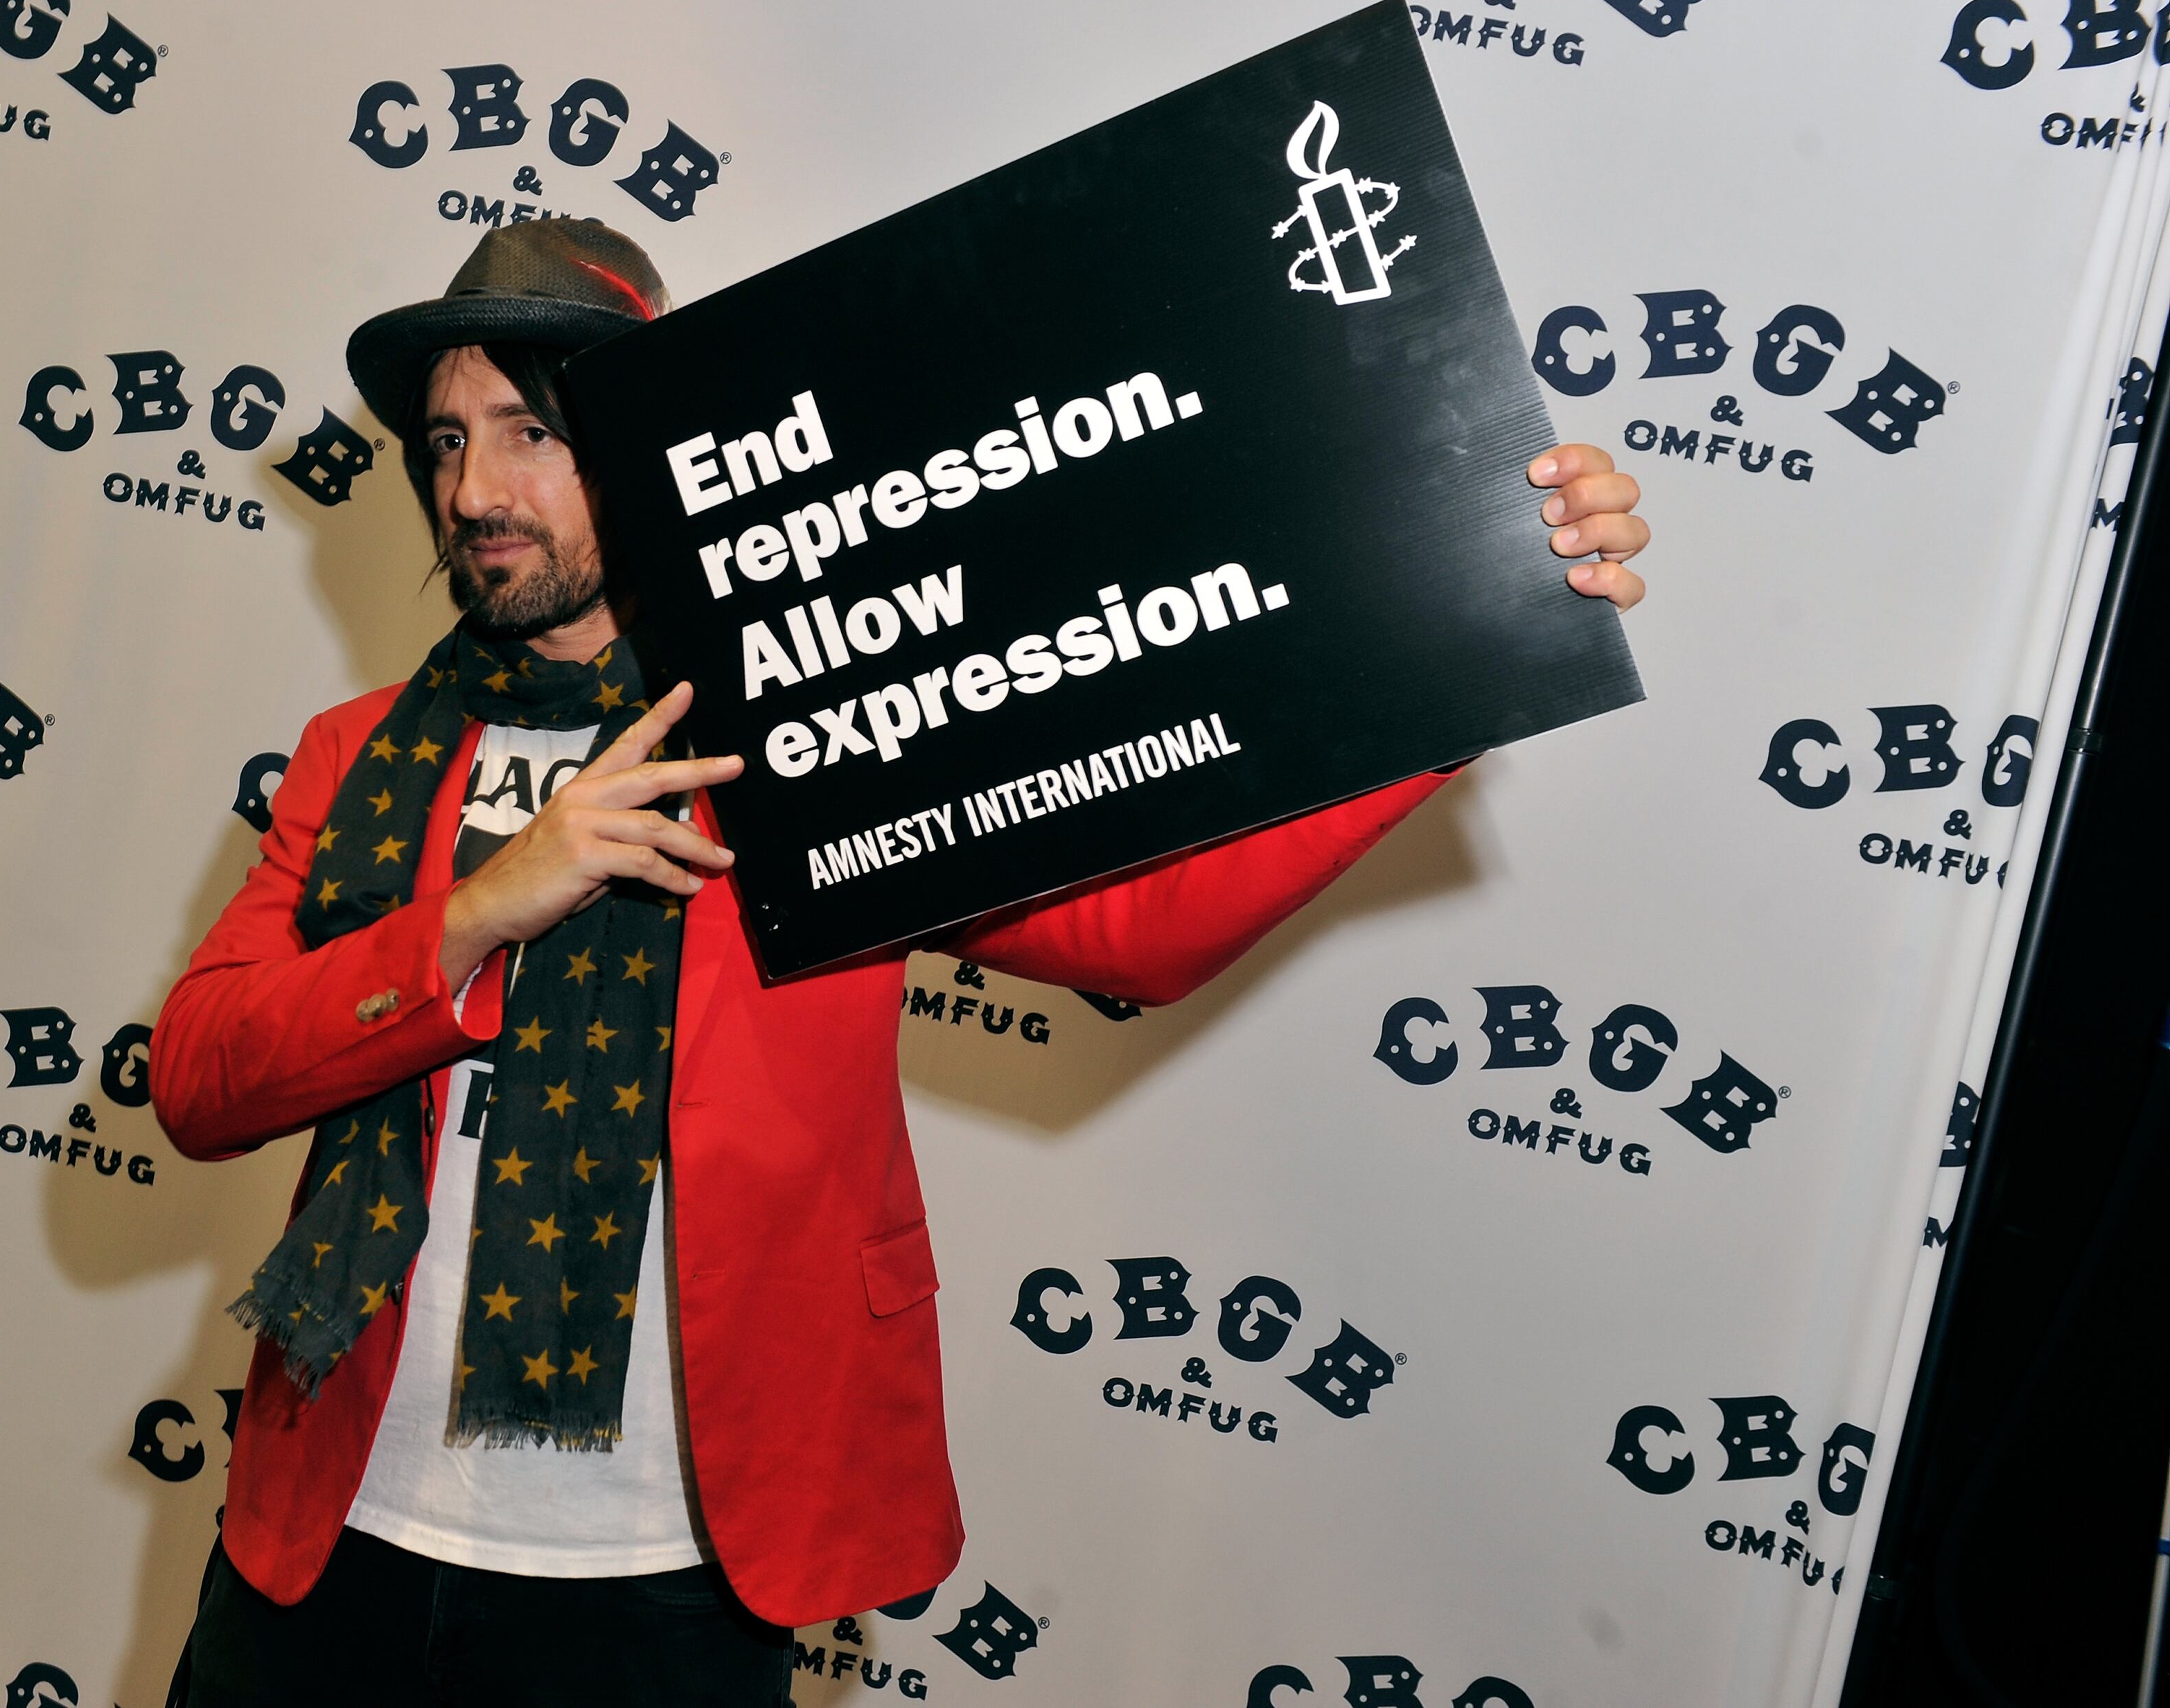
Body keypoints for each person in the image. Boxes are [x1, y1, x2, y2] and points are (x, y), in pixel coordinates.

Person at [153, 220, 1650, 1706]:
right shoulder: (359, 756)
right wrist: (486, 903)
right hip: (326, 1542)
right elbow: (204, 1078)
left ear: (655, 449)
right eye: (443, 442)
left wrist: (1481, 641)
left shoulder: (810, 742)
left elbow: (1144, 930)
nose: (475, 490)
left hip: (666, 1577)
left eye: (531, 432)